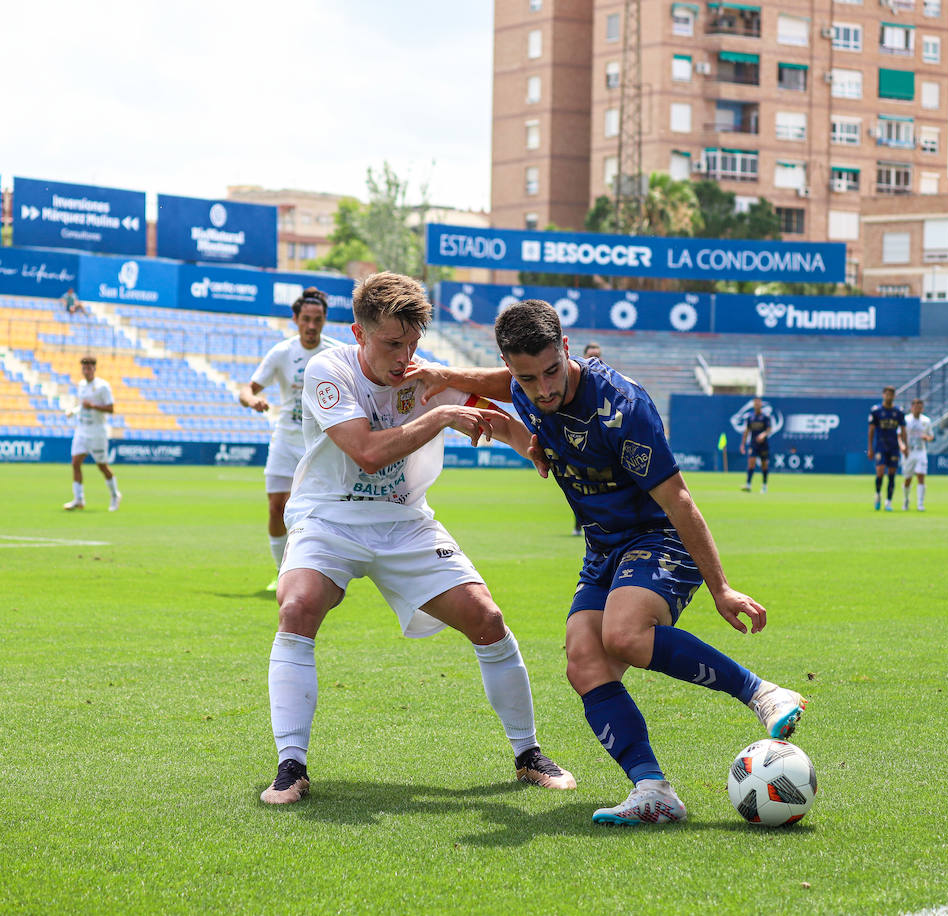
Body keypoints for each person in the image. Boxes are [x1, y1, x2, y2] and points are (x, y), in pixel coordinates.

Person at [407, 300, 805, 827]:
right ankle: (652, 789)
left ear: (566, 349)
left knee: (624, 635)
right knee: (583, 660)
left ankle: (763, 693)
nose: (544, 388)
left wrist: (722, 589)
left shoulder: (621, 405)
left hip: (659, 537)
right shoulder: (525, 389)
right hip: (603, 547)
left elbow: (680, 501)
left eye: (552, 371)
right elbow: (503, 385)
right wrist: (451, 381)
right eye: (528, 378)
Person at [260, 272, 575, 806]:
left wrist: (540, 454)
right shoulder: (327, 369)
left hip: (405, 519)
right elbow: (366, 451)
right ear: (359, 334)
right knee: (298, 605)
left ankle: (528, 754)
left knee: (488, 619)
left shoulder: (427, 374)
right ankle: (292, 764)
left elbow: (496, 421)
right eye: (391, 343)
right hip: (329, 517)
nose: (405, 356)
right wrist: (444, 415)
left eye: (412, 342)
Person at [240, 287, 342, 592]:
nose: (312, 326)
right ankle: (280, 571)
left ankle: (321, 571)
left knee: (320, 512)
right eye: (306, 319)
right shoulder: (282, 353)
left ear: (324, 321)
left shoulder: (336, 353)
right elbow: (247, 389)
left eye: (318, 320)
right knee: (275, 508)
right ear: (295, 319)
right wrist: (253, 401)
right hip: (285, 439)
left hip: (321, 444)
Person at [63, 355, 121, 512]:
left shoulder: (103, 387)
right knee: (75, 463)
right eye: (84, 368)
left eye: (89, 368)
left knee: (102, 466)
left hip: (97, 431)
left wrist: (93, 406)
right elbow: (83, 406)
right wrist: (74, 411)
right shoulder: (81, 385)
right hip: (82, 429)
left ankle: (115, 495)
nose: (86, 371)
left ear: (94, 369)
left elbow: (111, 409)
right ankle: (78, 499)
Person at [570, 341, 606, 535]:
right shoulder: (571, 383)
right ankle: (580, 525)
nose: (594, 360)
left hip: (601, 443)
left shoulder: (607, 383)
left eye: (597, 356)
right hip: (577, 443)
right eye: (591, 356)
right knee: (580, 487)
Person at [868, 386, 907, 511]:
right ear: (883, 395)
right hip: (880, 445)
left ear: (894, 396)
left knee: (892, 474)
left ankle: (888, 502)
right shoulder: (876, 411)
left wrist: (905, 445)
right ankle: (878, 494)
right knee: (880, 471)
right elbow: (871, 430)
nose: (889, 396)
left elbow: (903, 430)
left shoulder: (899, 412)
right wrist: (870, 448)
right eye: (887, 394)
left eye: (891, 394)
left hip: (894, 446)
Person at [901, 398, 934, 511]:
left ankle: (920, 503)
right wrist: (902, 447)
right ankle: (906, 499)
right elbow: (899, 435)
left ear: (922, 408)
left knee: (921, 476)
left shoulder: (926, 421)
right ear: (912, 408)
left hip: (921, 451)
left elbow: (931, 436)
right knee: (908, 478)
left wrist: (927, 438)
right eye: (915, 407)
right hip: (909, 451)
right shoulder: (906, 420)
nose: (917, 409)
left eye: (919, 407)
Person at [740, 397, 774, 494]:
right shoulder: (750, 417)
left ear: (761, 405)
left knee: (764, 465)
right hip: (753, 443)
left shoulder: (765, 417)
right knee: (751, 461)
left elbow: (769, 429)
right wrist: (742, 444)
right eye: (755, 403)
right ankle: (748, 484)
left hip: (763, 444)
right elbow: (746, 431)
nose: (757, 405)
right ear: (754, 405)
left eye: (759, 403)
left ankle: (764, 485)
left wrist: (763, 435)